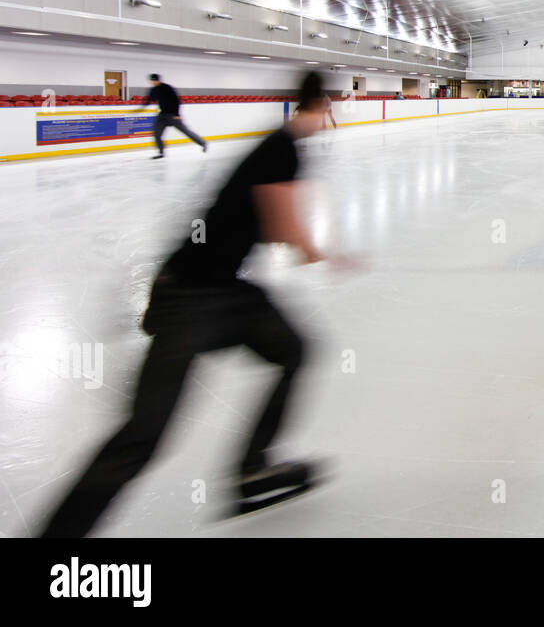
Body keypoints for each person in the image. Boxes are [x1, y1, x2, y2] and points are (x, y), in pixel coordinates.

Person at [40, 72, 354, 537]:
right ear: (324, 105)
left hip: (222, 290)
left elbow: (266, 224)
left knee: (293, 349)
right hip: (189, 298)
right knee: (144, 435)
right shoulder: (283, 148)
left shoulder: (282, 146)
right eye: (334, 106)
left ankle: (252, 468)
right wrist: (321, 251)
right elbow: (284, 232)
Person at [141, 73, 206, 158]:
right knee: (156, 134)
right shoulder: (153, 90)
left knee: (186, 131)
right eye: (152, 81)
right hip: (162, 115)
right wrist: (141, 107)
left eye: (155, 80)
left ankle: (203, 143)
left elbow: (176, 100)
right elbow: (149, 100)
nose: (153, 82)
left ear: (158, 80)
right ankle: (161, 153)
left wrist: (176, 114)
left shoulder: (167, 88)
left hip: (172, 115)